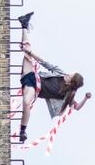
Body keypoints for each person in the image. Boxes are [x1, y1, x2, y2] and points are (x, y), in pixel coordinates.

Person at [16, 12, 90, 142]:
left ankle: (23, 131)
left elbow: (76, 108)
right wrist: (30, 53)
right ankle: (24, 24)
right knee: (27, 52)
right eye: (69, 73)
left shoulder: (67, 95)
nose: (66, 75)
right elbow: (44, 63)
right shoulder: (60, 73)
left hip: (35, 88)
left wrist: (85, 98)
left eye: (69, 76)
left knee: (26, 102)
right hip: (32, 76)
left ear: (71, 83)